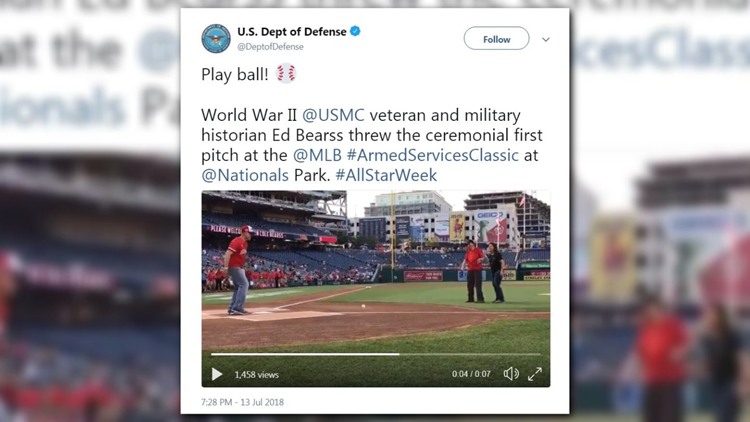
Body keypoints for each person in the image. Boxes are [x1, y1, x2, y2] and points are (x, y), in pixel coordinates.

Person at [636, 296, 689, 422]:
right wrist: (640, 372)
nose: (648, 313)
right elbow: (640, 352)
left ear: (659, 309)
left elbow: (687, 343)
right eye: (646, 310)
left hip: (670, 381)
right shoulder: (645, 328)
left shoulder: (672, 324)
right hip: (652, 381)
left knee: (670, 417)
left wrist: (680, 352)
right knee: (651, 417)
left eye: (651, 309)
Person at [701, 304, 741, 422]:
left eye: (712, 315)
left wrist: (743, 382)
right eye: (708, 315)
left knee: (727, 416)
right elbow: (706, 361)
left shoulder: (731, 335)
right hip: (714, 382)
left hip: (730, 380)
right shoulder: (706, 338)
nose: (710, 318)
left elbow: (740, 358)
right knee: (719, 417)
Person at [224, 225, 252, 315]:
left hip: (238, 267)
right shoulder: (236, 241)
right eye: (250, 233)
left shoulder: (245, 244)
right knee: (244, 284)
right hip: (233, 266)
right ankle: (237, 307)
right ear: (244, 232)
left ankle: (232, 308)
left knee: (238, 287)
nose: (251, 235)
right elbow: (228, 254)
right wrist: (225, 267)